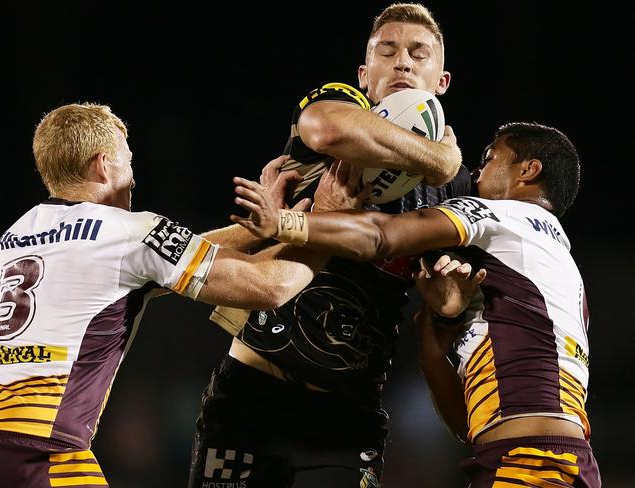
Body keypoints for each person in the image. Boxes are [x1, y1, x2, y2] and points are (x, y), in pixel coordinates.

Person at [190, 3, 470, 487]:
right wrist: (437, 158)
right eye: (388, 51)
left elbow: (446, 309)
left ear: (441, 80)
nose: (402, 62)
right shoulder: (342, 112)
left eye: (418, 53)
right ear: (365, 75)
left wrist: (447, 303)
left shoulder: (458, 186)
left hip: (347, 414)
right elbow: (324, 126)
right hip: (252, 388)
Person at [0, 102, 334, 488]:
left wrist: (263, 228)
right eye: (128, 160)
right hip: (44, 453)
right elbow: (271, 286)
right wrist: (330, 220)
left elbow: (161, 260)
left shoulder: (15, 238)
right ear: (103, 165)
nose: (133, 176)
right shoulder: (129, 232)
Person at [234, 121, 602, 487]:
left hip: (529, 462)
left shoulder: (501, 215)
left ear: (528, 170)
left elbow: (382, 236)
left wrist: (284, 222)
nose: (476, 171)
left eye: (489, 158)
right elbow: (468, 427)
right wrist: (435, 333)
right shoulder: (561, 265)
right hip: (556, 459)